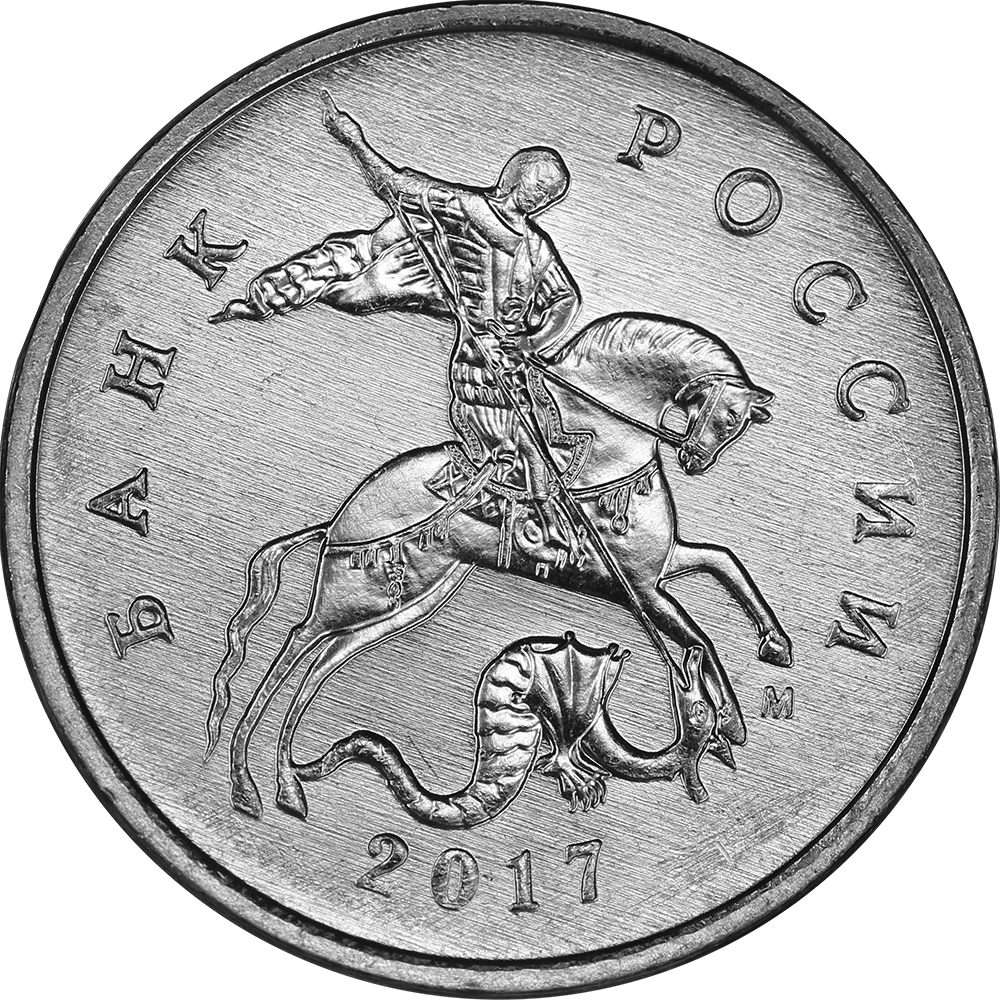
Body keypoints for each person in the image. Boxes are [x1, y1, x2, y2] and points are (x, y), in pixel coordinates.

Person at [212, 91, 587, 516]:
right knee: (519, 452)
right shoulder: (465, 208)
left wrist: (531, 343)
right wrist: (353, 140)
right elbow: (391, 184)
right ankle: (514, 520)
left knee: (547, 442)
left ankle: (539, 517)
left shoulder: (533, 245)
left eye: (549, 194)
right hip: (478, 363)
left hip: (512, 361)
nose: (542, 198)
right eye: (540, 186)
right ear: (516, 177)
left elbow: (565, 298)